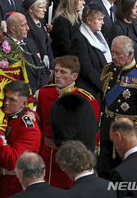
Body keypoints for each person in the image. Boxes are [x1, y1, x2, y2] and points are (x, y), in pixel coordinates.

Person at [37, 55, 100, 189]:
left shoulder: (87, 100)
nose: (57, 75)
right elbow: (40, 126)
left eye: (63, 72)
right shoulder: (45, 93)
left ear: (74, 76)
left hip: (72, 160)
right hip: (47, 155)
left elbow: (93, 135)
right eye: (57, 71)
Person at [97, 35, 137, 179]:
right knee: (103, 171)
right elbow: (104, 99)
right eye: (112, 52)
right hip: (107, 131)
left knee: (125, 176)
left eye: (118, 53)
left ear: (130, 54)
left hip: (127, 136)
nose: (113, 56)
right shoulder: (110, 69)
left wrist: (131, 134)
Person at [0, 80, 41, 198]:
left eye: (12, 100)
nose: (6, 103)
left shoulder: (29, 129)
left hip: (17, 187)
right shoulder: (7, 118)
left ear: (24, 104)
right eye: (6, 98)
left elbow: (12, 162)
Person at [69, 3, 112, 106]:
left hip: (101, 91)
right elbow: (87, 69)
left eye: (103, 19)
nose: (102, 23)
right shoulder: (79, 39)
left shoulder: (100, 37)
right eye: (99, 19)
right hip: (89, 92)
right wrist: (104, 86)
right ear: (89, 20)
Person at [5, 12, 49, 95]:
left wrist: (42, 91)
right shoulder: (6, 49)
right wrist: (31, 95)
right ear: (13, 30)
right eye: (23, 25)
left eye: (27, 24)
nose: (28, 28)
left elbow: (42, 69)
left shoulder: (30, 42)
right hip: (22, 98)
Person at [108, 0, 137, 72]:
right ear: (126, 7)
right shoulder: (117, 29)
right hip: (128, 74)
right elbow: (119, 57)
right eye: (135, 8)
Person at [23, 0, 54, 73]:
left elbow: (48, 44)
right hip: (38, 67)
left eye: (45, 7)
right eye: (41, 7)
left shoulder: (41, 21)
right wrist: (46, 71)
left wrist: (52, 66)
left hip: (48, 64)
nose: (45, 10)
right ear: (30, 8)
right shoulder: (27, 25)